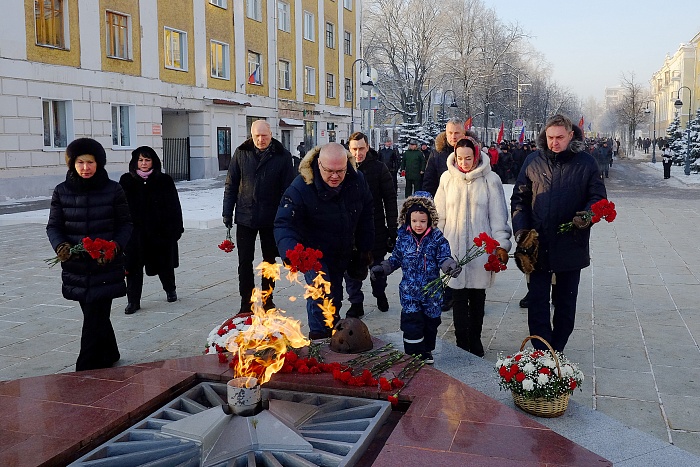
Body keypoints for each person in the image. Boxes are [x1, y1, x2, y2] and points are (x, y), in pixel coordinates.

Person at [511, 114, 606, 352]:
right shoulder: (533, 160)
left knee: (565, 303)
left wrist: (586, 217)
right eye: (550, 137)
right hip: (538, 243)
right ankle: (542, 350)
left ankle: (558, 348)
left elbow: (598, 198)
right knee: (537, 301)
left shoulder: (586, 163)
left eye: (560, 137)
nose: (554, 142)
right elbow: (519, 198)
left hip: (571, 243)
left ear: (570, 135)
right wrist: (522, 231)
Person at [46, 138, 133, 371]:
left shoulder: (113, 189)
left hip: (105, 264)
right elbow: (53, 226)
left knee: (95, 315)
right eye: (80, 162)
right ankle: (110, 352)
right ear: (72, 164)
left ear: (99, 163)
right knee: (94, 314)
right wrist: (61, 247)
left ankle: (84, 368)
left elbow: (126, 224)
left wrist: (115, 246)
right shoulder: (61, 191)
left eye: (91, 162)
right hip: (76, 265)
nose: (86, 168)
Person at [274, 142, 374, 339]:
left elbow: (366, 214)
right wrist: (293, 253)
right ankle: (319, 339)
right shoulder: (301, 186)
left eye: (340, 171)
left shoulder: (357, 180)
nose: (335, 176)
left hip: (341, 249)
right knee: (320, 294)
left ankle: (332, 335)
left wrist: (364, 250)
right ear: (318, 164)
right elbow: (283, 224)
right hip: (312, 254)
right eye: (329, 171)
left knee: (334, 297)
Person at [434, 137, 511, 357]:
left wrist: (501, 245)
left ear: (476, 156)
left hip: (481, 251)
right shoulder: (447, 179)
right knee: (457, 298)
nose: (465, 163)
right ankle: (461, 342)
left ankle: (475, 340)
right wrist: (437, 246)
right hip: (454, 250)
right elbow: (438, 217)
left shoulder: (490, 180)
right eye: (460, 158)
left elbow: (498, 218)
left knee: (477, 299)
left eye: (469, 158)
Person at [370, 192, 460, 363]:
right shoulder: (403, 238)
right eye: (414, 221)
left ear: (430, 220)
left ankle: (426, 351)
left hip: (431, 292)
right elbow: (396, 258)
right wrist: (382, 269)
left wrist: (450, 266)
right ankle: (412, 353)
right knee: (412, 323)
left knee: (431, 322)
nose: (418, 225)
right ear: (408, 219)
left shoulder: (437, 238)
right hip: (410, 291)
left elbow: (443, 257)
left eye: (423, 221)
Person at [223, 120, 295, 314]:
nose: (261, 139)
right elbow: (231, 184)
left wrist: (287, 216)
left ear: (271, 134)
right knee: (244, 262)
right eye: (257, 136)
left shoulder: (282, 156)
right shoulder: (241, 153)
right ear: (251, 135)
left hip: (271, 218)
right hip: (246, 216)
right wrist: (227, 212)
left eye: (264, 135)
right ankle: (246, 302)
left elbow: (289, 190)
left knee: (269, 261)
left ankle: (267, 299)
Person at [119, 146, 183, 314]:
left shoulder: (164, 180)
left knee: (165, 264)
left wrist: (175, 229)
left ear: (153, 161)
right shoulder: (126, 180)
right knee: (133, 268)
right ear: (135, 162)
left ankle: (170, 290)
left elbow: (174, 206)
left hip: (160, 232)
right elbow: (119, 208)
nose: (144, 163)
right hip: (135, 234)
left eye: (147, 160)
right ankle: (133, 301)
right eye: (140, 160)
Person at [344, 132, 398, 316]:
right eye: (354, 149)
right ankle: (356, 302)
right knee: (351, 271)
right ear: (349, 149)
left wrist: (392, 230)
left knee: (377, 268)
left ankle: (379, 293)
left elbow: (390, 200)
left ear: (367, 147)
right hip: (351, 230)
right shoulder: (343, 168)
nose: (358, 153)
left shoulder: (379, 168)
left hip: (375, 228)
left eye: (361, 148)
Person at [422, 118, 466, 196]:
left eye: (456, 133)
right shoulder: (436, 154)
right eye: (450, 133)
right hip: (444, 202)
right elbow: (429, 183)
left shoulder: (474, 153)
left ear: (463, 133)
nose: (453, 136)